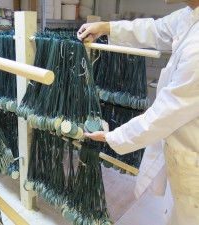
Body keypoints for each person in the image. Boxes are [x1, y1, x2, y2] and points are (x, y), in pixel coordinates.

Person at [77, 1, 199, 225]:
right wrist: (106, 27)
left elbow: (166, 113)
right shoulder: (189, 16)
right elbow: (155, 29)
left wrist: (113, 136)